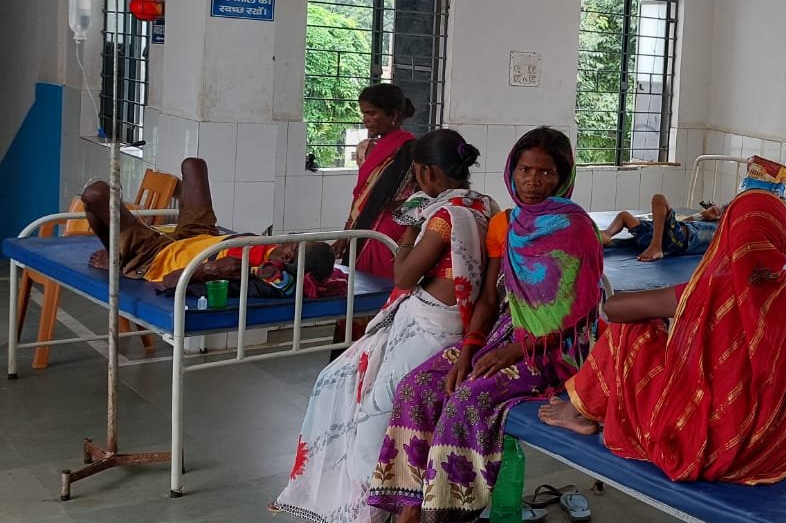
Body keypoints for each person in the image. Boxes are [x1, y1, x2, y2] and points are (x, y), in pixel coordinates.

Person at [368, 127, 604, 523]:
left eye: (545, 172)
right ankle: (410, 507)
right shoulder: (505, 224)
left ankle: (443, 514)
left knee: (467, 399)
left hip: (556, 347)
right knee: (417, 386)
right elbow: (490, 298)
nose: (533, 181)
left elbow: (583, 312)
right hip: (504, 333)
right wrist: (470, 347)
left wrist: (517, 349)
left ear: (562, 177)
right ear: (513, 171)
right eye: (525, 170)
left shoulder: (576, 228)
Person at [538, 157, 786, 486]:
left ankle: (579, 408)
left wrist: (677, 316)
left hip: (711, 443)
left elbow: (613, 309)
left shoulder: (713, 291)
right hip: (771, 446)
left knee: (631, 328)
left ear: (729, 231)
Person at [274, 130, 496, 523]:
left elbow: (404, 275)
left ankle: (368, 503)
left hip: (430, 326)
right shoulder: (484, 205)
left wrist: (410, 228)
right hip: (452, 323)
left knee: (368, 410)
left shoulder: (443, 217)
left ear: (426, 173)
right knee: (349, 378)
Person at [80, 157, 334, 294]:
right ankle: (120, 248)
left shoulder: (257, 271)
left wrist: (208, 270)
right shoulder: (271, 247)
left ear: (288, 256)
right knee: (194, 165)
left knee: (96, 194)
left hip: (155, 255)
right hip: (202, 235)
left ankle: (118, 256)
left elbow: (169, 281)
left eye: (298, 240)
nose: (294, 234)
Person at [332, 83, 419, 279]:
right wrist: (346, 234)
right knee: (357, 283)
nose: (366, 119)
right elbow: (361, 196)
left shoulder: (412, 150)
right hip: (362, 226)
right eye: (364, 113)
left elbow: (423, 195)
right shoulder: (364, 148)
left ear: (393, 114)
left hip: (391, 230)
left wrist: (396, 205)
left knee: (383, 284)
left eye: (372, 113)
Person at [599, 193, 721, 262]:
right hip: (661, 233)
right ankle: (607, 234)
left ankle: (655, 247)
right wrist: (702, 215)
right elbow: (682, 224)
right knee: (624, 216)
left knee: (659, 199)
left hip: (676, 240)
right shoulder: (708, 223)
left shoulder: (723, 232)